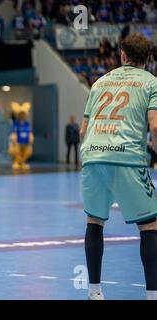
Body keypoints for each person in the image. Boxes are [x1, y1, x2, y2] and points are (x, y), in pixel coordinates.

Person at [80, 33, 157, 300]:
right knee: (149, 225)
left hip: (92, 155)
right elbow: (155, 125)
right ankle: (152, 295)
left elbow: (83, 129)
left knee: (94, 221)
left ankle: (94, 292)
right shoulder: (151, 82)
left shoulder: (99, 82)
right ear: (148, 58)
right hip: (126, 156)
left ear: (122, 55)